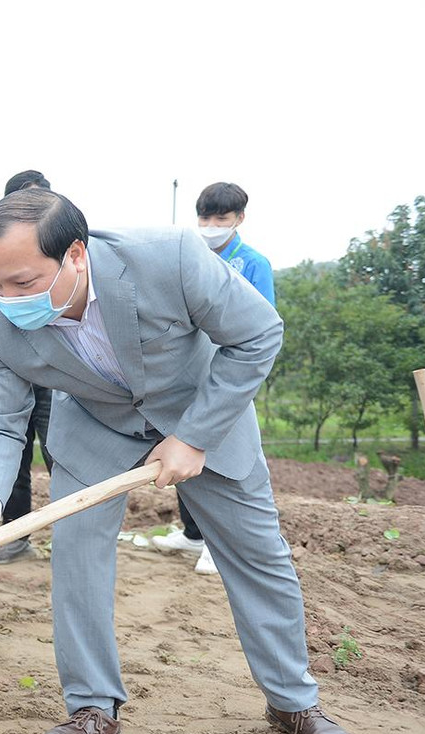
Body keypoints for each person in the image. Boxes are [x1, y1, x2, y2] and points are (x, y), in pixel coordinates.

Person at [0, 188, 353, 734]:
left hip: (204, 413)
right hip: (95, 430)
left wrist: (193, 436)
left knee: (258, 554)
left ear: (76, 256)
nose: (8, 298)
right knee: (78, 558)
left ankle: (293, 702)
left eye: (24, 282)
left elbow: (258, 335)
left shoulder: (172, 258)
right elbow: (1, 419)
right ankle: (93, 707)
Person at [153, 182, 276, 577]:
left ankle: (216, 541)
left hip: (225, 372)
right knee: (181, 446)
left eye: (220, 218)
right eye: (204, 217)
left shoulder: (253, 263)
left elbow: (262, 325)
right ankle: (192, 532)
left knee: (219, 453)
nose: (210, 225)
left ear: (239, 218)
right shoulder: (186, 256)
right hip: (187, 372)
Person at [0, 169, 56, 565]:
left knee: (62, 449)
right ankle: (15, 531)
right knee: (13, 453)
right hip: (15, 369)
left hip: (60, 377)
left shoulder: (60, 260)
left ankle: (75, 530)